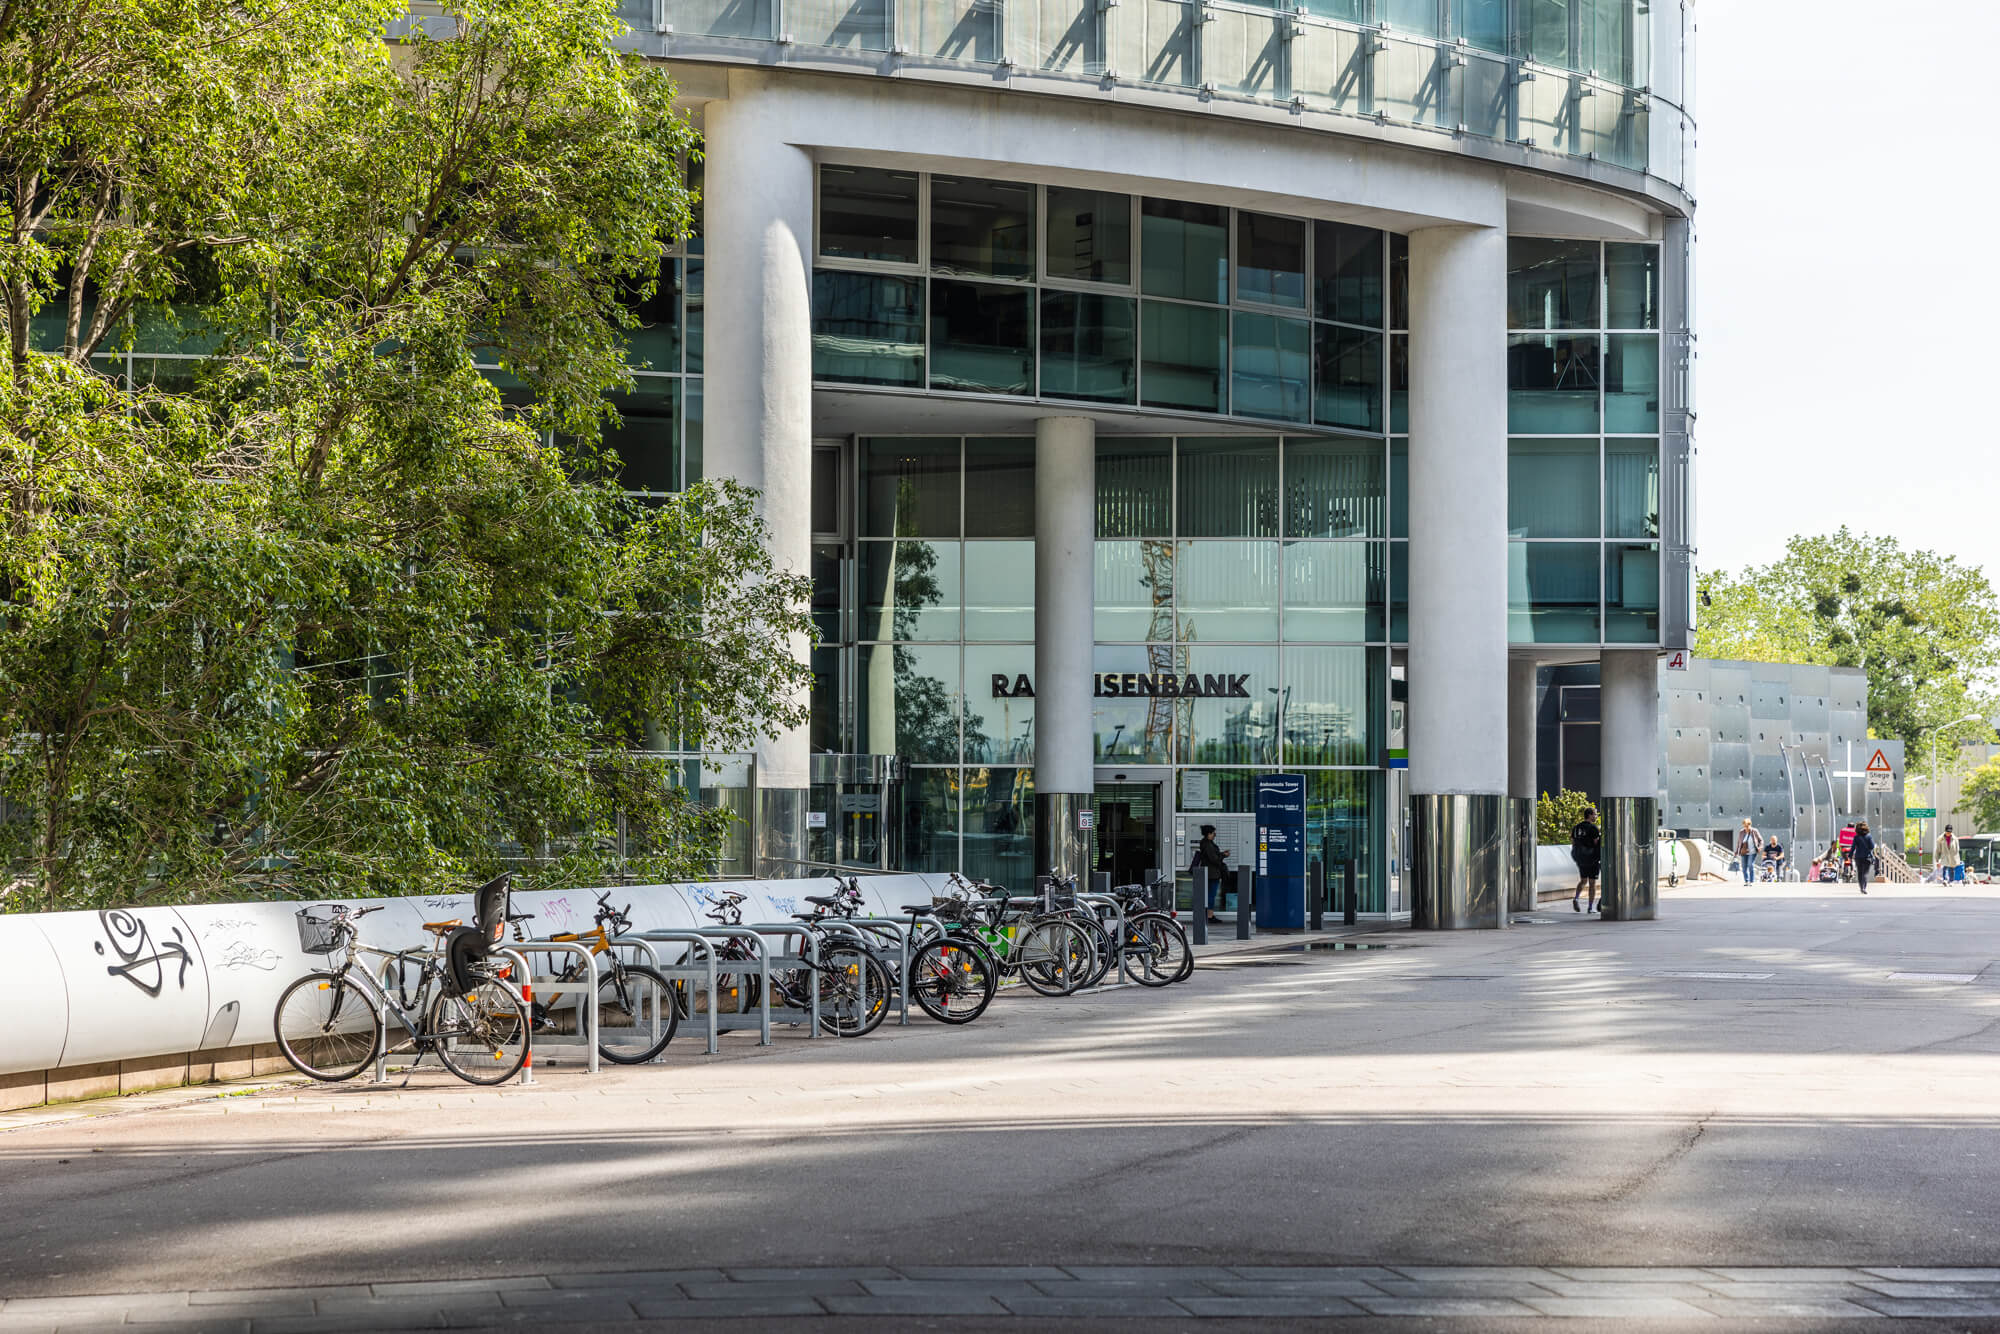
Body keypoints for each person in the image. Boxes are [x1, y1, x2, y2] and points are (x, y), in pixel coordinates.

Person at [1190, 824, 1232, 923]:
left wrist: (1221, 854)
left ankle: (1207, 914)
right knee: (1211, 895)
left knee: (1209, 894)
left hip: (1210, 873)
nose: (1215, 835)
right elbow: (1214, 859)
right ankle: (1209, 916)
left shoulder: (1206, 843)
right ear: (1208, 834)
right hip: (1212, 874)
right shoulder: (1207, 844)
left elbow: (1212, 856)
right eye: (1213, 833)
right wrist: (1223, 855)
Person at [1570, 807, 1602, 913]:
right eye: (1595, 814)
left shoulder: (1576, 828)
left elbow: (1573, 842)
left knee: (1583, 880)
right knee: (1592, 883)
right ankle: (1590, 907)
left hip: (1580, 858)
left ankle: (1576, 898)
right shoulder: (1593, 828)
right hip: (1592, 858)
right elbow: (1596, 843)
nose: (1596, 816)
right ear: (1590, 815)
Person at [1734, 817, 1762, 884]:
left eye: (1747, 826)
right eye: (1744, 826)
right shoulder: (1741, 832)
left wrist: (1759, 847)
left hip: (1752, 852)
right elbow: (1739, 842)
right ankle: (1746, 881)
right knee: (1744, 867)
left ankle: (1751, 881)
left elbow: (1761, 840)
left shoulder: (1754, 831)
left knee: (1750, 865)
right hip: (1743, 852)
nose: (1746, 827)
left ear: (1750, 824)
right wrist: (1736, 851)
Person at [1851, 821, 1876, 895]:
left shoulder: (1856, 837)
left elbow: (1853, 847)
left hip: (1858, 857)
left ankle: (1861, 887)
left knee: (1860, 872)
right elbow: (1872, 846)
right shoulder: (1869, 836)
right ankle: (1864, 888)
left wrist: (1850, 855)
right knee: (1865, 873)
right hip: (1867, 857)